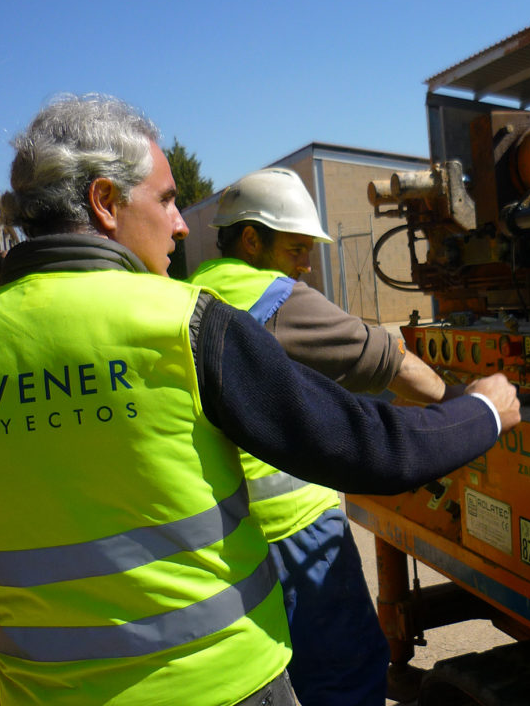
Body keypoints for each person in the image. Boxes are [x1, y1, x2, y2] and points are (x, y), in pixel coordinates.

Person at [0, 93, 520, 706]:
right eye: (167, 199)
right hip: (222, 686)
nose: (181, 225)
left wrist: (2, 673)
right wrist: (482, 411)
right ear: (104, 202)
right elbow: (363, 446)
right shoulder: (178, 323)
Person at [189, 168, 459, 706]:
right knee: (348, 670)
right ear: (250, 239)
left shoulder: (189, 296)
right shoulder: (274, 296)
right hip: (298, 536)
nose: (306, 264)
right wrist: (464, 406)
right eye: (295, 249)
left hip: (230, 541)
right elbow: (387, 360)